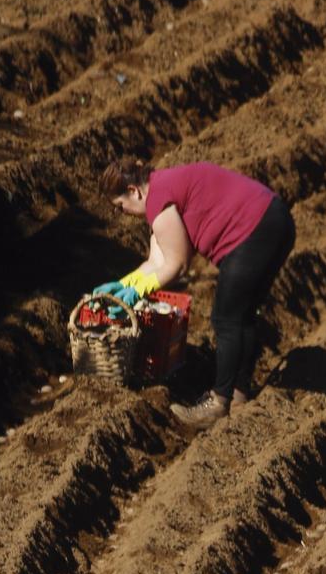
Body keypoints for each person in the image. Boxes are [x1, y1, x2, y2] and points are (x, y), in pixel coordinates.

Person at [94, 158, 295, 430]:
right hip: (274, 219)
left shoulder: (159, 200)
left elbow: (177, 265)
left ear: (133, 191)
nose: (123, 214)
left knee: (226, 319)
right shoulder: (163, 188)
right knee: (241, 315)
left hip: (254, 231)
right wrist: (124, 287)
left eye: (120, 207)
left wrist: (137, 292)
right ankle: (238, 394)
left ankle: (219, 402)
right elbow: (156, 261)